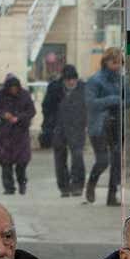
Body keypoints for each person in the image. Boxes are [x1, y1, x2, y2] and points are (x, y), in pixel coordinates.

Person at [83, 47, 127, 207]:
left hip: (117, 124)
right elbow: (90, 103)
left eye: (120, 63)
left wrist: (122, 101)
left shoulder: (122, 80)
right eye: (114, 62)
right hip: (99, 125)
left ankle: (112, 196)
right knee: (103, 160)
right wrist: (113, 99)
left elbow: (128, 100)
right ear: (106, 62)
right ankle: (91, 183)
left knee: (117, 162)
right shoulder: (95, 80)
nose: (117, 66)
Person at [0, 73, 37, 196]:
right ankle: (9, 188)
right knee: (5, 163)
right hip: (5, 134)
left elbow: (32, 111)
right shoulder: (0, 95)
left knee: (22, 163)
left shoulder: (25, 95)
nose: (13, 90)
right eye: (11, 88)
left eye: (15, 88)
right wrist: (4, 114)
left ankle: (22, 184)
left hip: (21, 133)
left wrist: (19, 117)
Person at [46, 65, 88, 197]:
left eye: (73, 79)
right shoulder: (54, 88)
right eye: (68, 79)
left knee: (77, 156)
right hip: (59, 127)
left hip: (77, 127)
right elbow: (47, 108)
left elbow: (89, 106)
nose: (71, 82)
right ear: (63, 80)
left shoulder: (84, 88)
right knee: (60, 158)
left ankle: (77, 186)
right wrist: (49, 126)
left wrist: (86, 122)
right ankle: (64, 187)